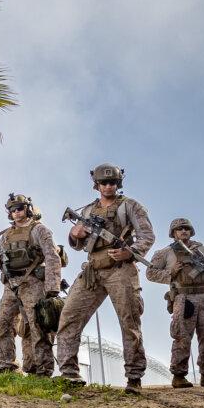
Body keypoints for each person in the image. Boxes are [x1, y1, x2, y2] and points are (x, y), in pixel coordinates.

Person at [55, 164, 154, 394]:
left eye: (112, 183)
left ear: (118, 184)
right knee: (69, 316)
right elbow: (78, 244)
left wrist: (129, 252)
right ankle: (69, 373)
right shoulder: (88, 211)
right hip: (93, 270)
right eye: (104, 183)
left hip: (121, 269)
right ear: (96, 185)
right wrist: (74, 235)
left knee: (129, 322)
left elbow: (146, 235)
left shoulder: (130, 206)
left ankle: (134, 377)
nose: (108, 186)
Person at [146, 218, 204, 387]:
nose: (183, 231)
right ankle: (179, 375)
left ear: (191, 231)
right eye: (179, 229)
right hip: (184, 297)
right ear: (173, 233)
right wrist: (171, 272)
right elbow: (150, 273)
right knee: (182, 336)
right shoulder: (165, 253)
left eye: (186, 228)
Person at [0, 194, 63, 376]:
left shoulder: (40, 230)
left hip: (33, 283)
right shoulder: (6, 235)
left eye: (20, 208)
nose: (16, 212)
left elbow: (53, 257)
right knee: (3, 324)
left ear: (28, 208)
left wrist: (53, 288)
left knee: (37, 326)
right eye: (12, 210)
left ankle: (43, 369)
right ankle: (7, 364)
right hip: (11, 285)